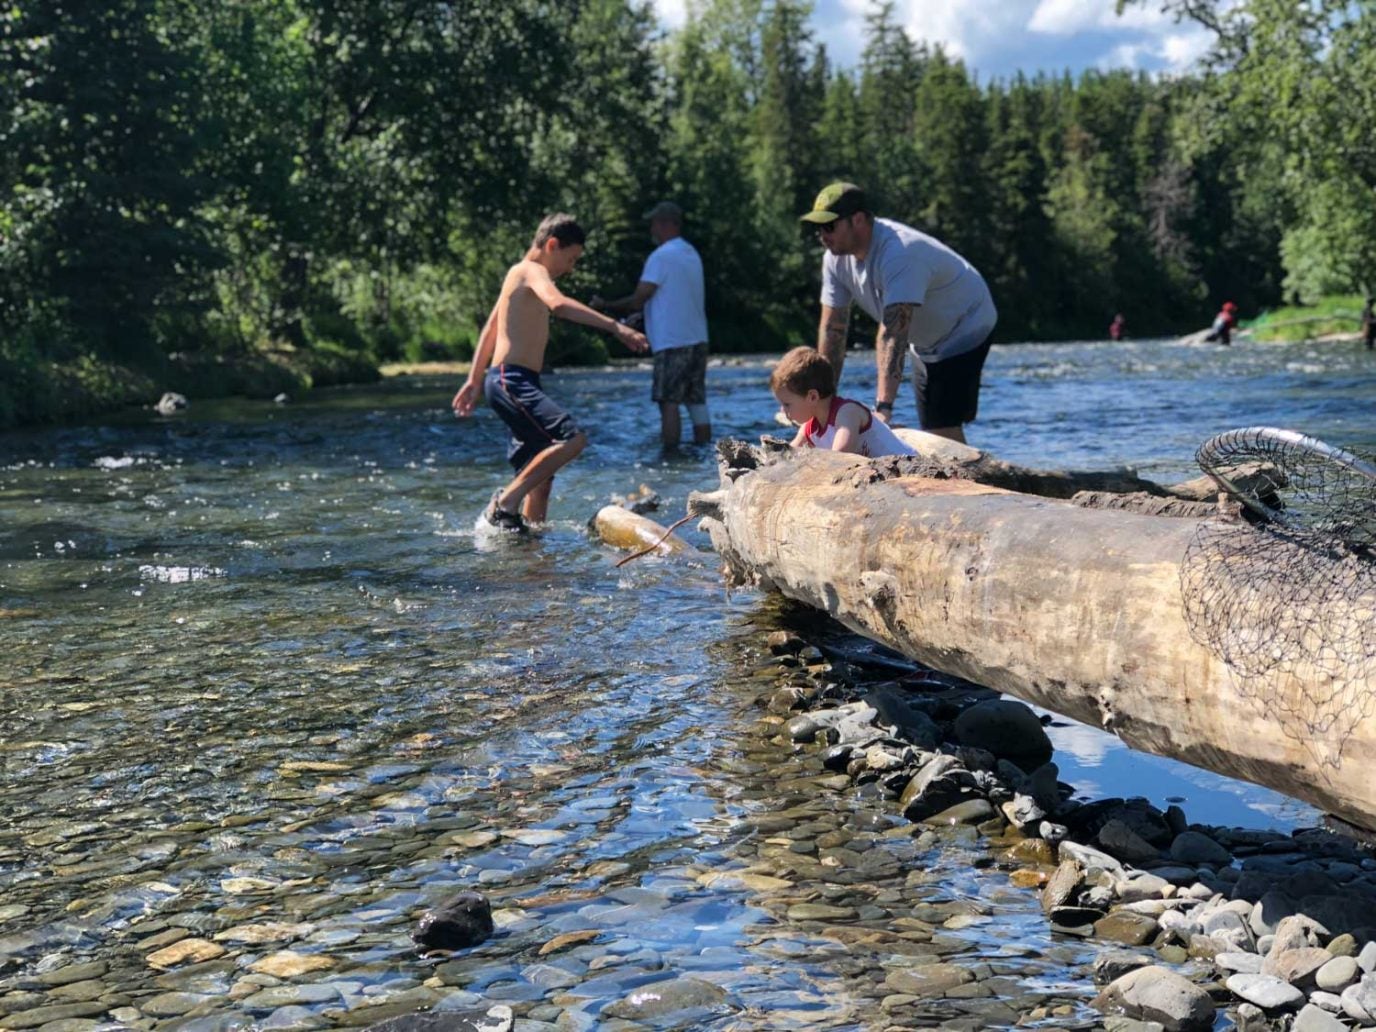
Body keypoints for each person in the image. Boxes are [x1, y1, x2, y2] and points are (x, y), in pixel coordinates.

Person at [452, 213, 649, 532]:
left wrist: (474, 380)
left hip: (512, 380)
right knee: (571, 438)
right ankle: (503, 506)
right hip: (509, 379)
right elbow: (557, 304)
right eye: (570, 259)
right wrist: (615, 328)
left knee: (540, 477)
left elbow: (490, 328)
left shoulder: (516, 276)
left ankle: (527, 547)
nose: (570, 269)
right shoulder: (531, 270)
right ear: (552, 244)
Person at [802, 182, 997, 444]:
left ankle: (970, 480)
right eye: (818, 228)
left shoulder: (898, 252)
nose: (822, 236)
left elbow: (893, 333)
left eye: (829, 226)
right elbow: (833, 329)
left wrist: (883, 410)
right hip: (927, 339)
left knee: (941, 424)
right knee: (934, 423)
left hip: (967, 324)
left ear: (857, 220)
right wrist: (822, 401)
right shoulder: (834, 259)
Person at [592, 201, 711, 450]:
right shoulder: (691, 253)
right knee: (696, 400)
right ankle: (706, 454)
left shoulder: (662, 256)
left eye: (654, 223)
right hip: (698, 339)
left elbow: (639, 298)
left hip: (672, 342)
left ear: (665, 223)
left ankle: (671, 457)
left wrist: (606, 304)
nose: (651, 228)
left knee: (668, 401)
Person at [770, 346, 916, 457]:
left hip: (912, 467)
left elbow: (839, 458)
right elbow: (787, 457)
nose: (782, 410)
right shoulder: (809, 429)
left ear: (813, 397)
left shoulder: (846, 413)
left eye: (787, 404)